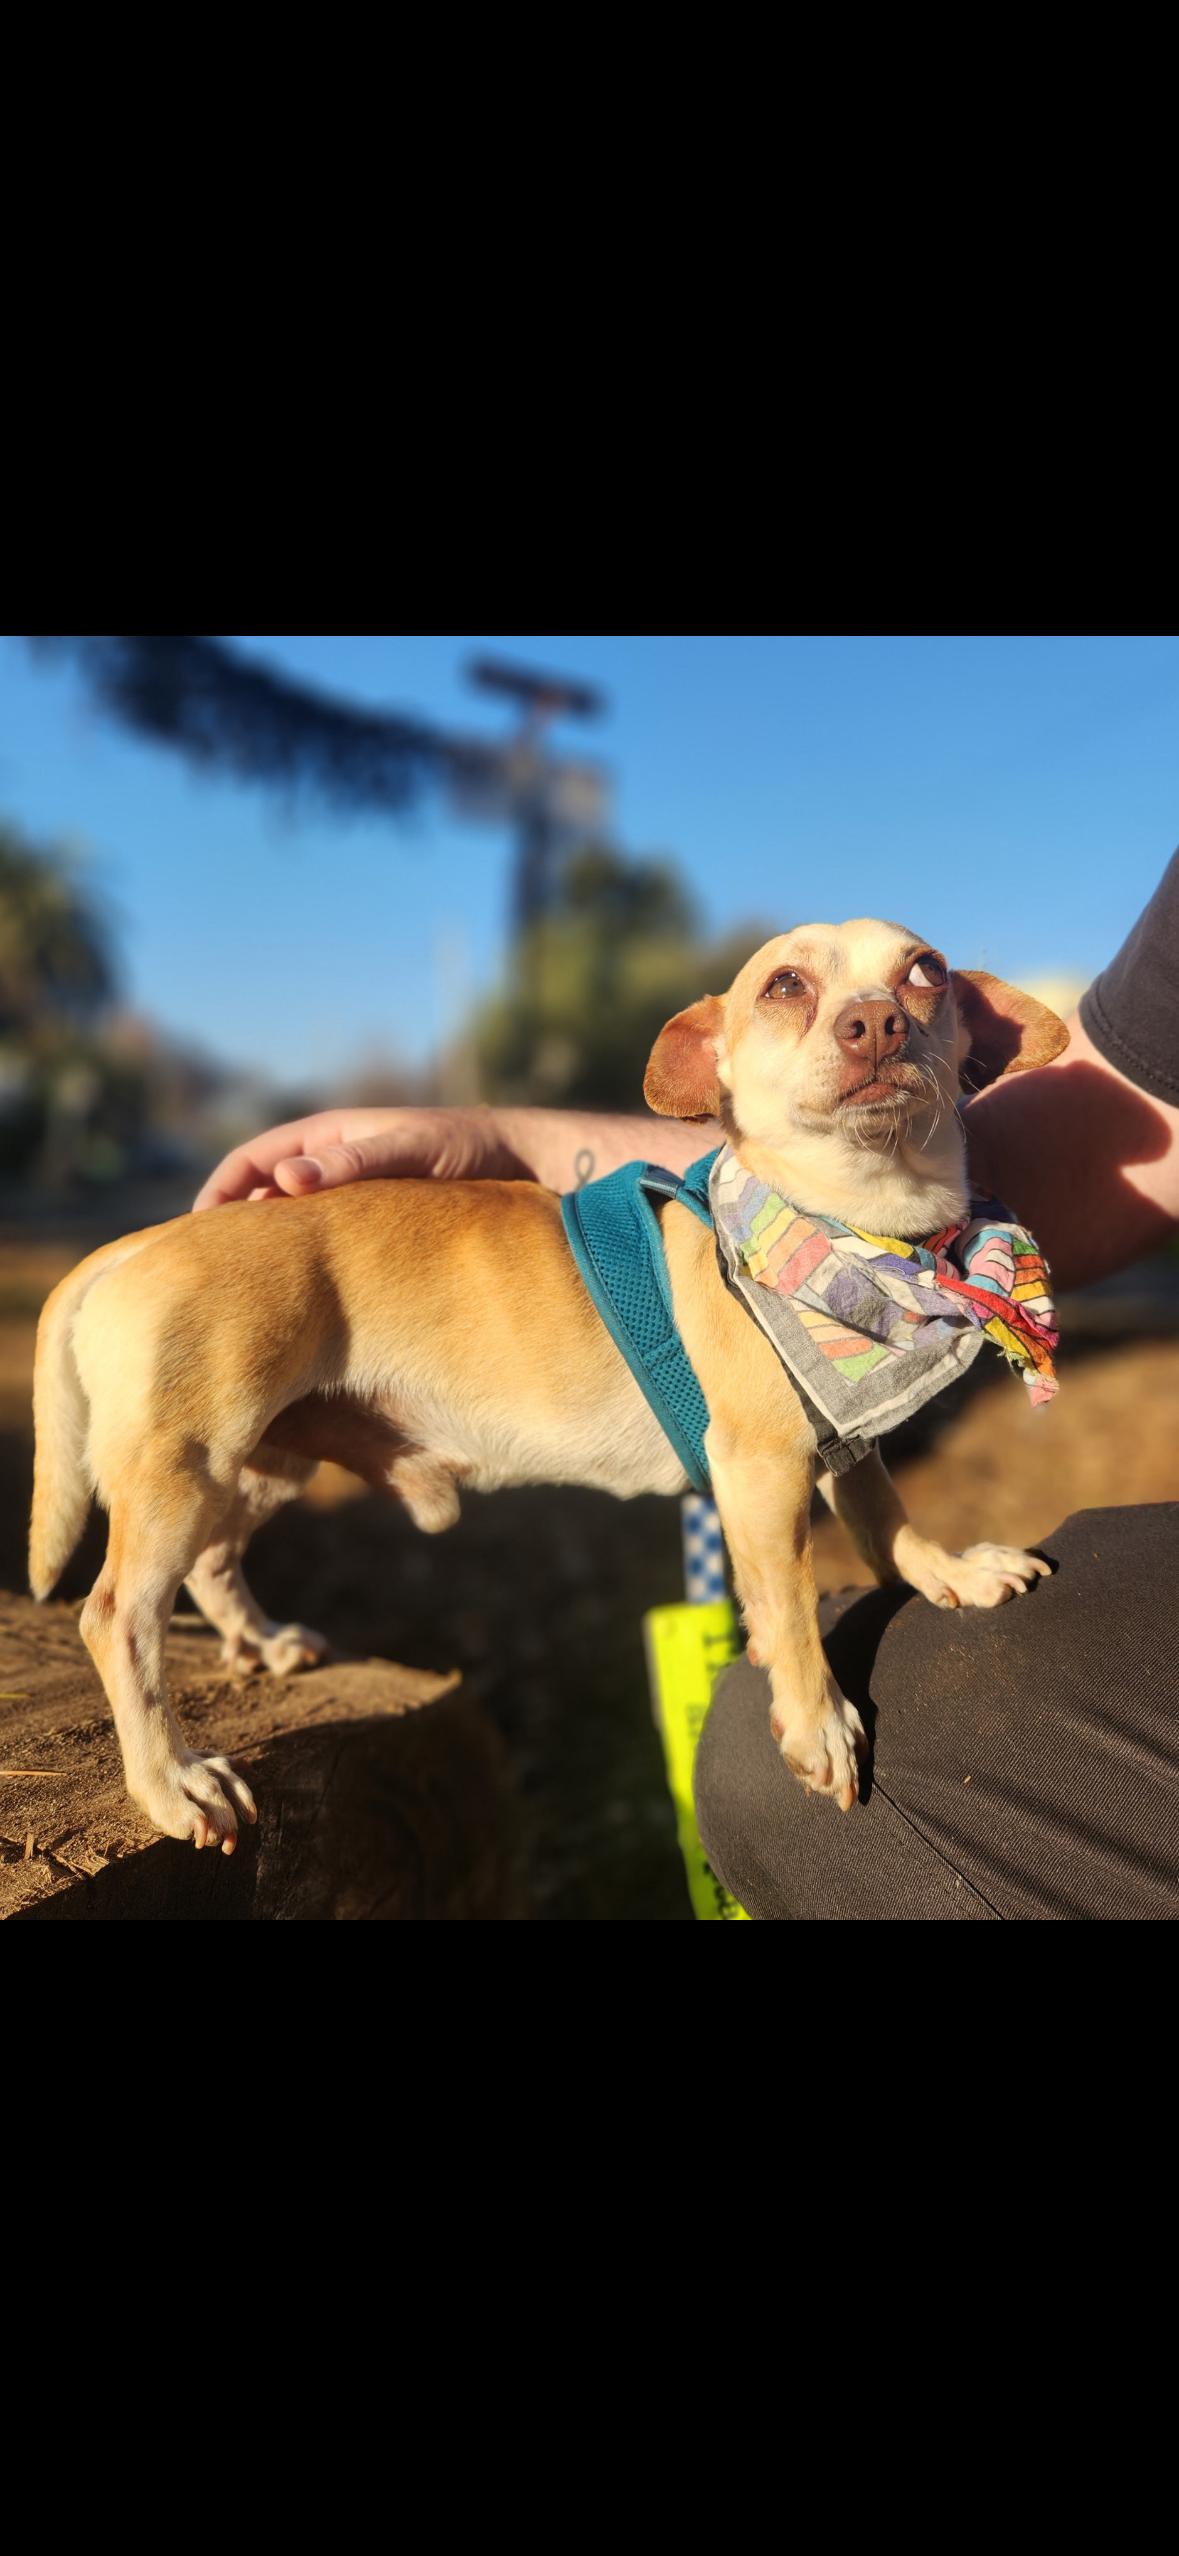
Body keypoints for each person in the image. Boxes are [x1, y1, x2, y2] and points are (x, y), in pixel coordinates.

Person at [196, 856, 1179, 1919]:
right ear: (710, 1059)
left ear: (971, 1039)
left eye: (919, 981)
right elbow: (1116, 1126)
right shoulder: (766, 1246)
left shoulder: (879, 1248)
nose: (874, 1015)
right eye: (793, 991)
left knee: (791, 1777)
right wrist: (507, 1141)